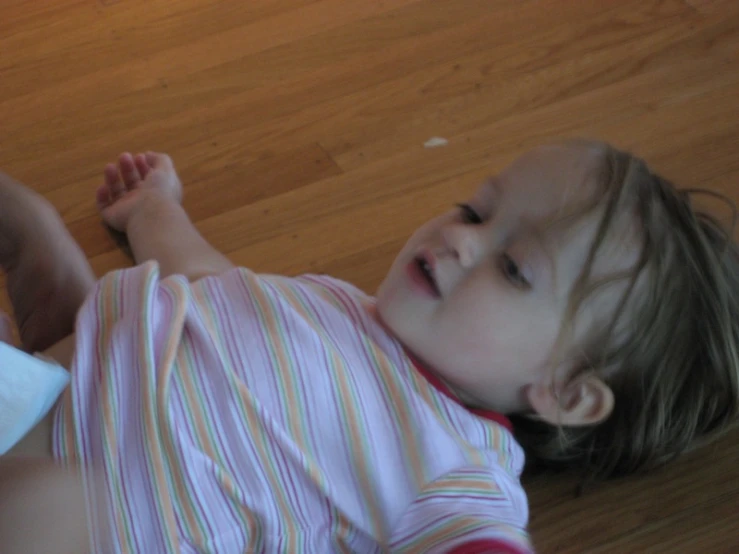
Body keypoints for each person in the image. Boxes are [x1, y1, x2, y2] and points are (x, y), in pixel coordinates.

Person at [1, 139, 738, 553]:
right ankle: (32, 262)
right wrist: (154, 212)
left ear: (565, 391)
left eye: (512, 268)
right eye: (475, 210)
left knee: (48, 509)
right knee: (42, 233)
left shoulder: (458, 468)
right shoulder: (337, 307)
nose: (459, 237)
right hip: (69, 379)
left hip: (84, 521)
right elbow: (210, 281)